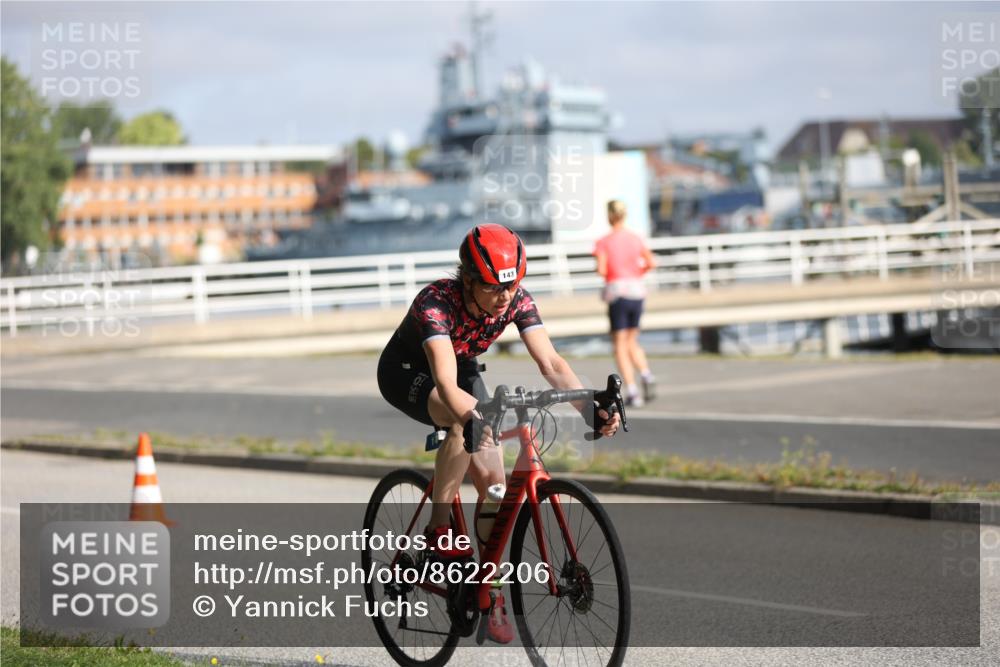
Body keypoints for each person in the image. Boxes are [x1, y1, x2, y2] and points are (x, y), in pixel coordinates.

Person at [378, 223, 621, 643]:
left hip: (462, 368)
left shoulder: (514, 299)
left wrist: (588, 408)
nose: (505, 297)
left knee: (493, 480)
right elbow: (446, 385)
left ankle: (487, 587)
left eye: (511, 287)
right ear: (468, 279)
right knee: (459, 423)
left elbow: (552, 363)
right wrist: (473, 418)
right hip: (410, 372)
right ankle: (437, 534)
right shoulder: (436, 304)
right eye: (493, 288)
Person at [593, 200, 657, 407]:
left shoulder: (604, 242)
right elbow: (651, 262)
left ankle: (632, 391)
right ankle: (646, 374)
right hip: (637, 291)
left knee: (619, 344)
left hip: (618, 293)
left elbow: (602, 270)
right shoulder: (635, 238)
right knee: (632, 340)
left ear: (609, 215)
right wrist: (637, 273)